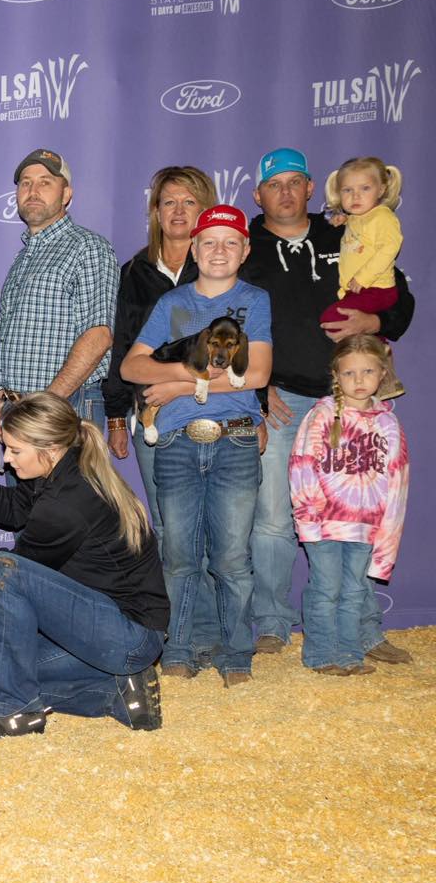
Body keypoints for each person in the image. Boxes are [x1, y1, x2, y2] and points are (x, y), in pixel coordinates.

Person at [0, 393, 167, 739]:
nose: (7, 460)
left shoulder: (70, 500)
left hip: (128, 637)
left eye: (15, 450)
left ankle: (9, 710)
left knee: (2, 635)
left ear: (50, 448)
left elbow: (10, 570)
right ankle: (116, 691)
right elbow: (14, 510)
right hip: (105, 631)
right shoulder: (66, 468)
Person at [240, 147, 415, 662]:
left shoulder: (345, 229)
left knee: (362, 516)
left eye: (296, 182)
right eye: (275, 185)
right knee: (273, 516)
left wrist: (373, 324)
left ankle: (363, 629)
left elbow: (398, 299)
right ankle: (272, 622)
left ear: (314, 188)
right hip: (284, 399)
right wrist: (256, 385)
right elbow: (224, 319)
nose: (287, 192)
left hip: (357, 398)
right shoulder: (242, 246)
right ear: (259, 195)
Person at [122, 205, 271, 686]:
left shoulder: (257, 299)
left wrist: (179, 389)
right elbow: (131, 368)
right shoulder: (172, 304)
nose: (219, 251)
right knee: (180, 555)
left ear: (245, 250)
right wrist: (195, 375)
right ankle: (179, 648)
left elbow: (257, 373)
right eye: (209, 242)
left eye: (231, 242)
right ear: (194, 248)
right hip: (177, 443)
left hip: (236, 440)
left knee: (231, 556)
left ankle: (235, 654)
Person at [102, 165, 220, 666]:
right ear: (154, 211)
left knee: (215, 527)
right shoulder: (134, 272)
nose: (177, 212)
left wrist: (256, 406)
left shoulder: (222, 267)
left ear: (205, 209)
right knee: (172, 531)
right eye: (168, 202)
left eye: (188, 203)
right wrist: (114, 414)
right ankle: (181, 634)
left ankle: (214, 634)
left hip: (216, 410)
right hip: (152, 416)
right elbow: (121, 345)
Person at [289, 336, 407, 675]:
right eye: (350, 373)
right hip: (324, 523)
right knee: (326, 588)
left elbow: (397, 482)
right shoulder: (323, 414)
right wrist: (308, 519)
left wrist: (387, 533)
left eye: (368, 371)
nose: (359, 380)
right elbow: (301, 465)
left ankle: (350, 654)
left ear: (382, 374)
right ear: (336, 375)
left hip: (366, 526)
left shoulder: (388, 423)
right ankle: (321, 654)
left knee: (355, 590)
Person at [0, 149, 118, 429]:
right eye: (26, 183)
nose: (33, 190)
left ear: (66, 194)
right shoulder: (23, 257)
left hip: (66, 406)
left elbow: (98, 335)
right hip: (20, 409)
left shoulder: (87, 247)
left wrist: (48, 403)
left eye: (45, 182)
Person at [320, 156, 404, 328]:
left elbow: (389, 248)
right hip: (357, 290)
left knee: (331, 319)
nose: (356, 196)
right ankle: (379, 345)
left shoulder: (383, 216)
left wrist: (363, 278)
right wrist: (343, 220)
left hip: (376, 289)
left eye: (365, 188)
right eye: (347, 190)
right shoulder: (356, 218)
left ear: (381, 190)